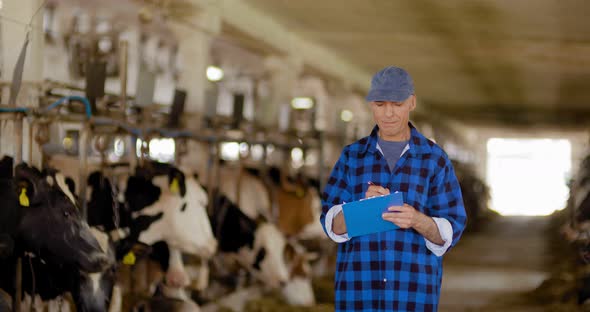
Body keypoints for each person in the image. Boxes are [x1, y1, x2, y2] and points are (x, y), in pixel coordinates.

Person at [320, 66, 467, 311]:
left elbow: (451, 230)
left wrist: (417, 220)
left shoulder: (434, 159)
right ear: (371, 105)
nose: (388, 113)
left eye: (397, 104)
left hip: (412, 293)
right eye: (380, 104)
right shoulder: (352, 157)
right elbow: (330, 224)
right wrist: (359, 210)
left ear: (412, 102)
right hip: (358, 292)